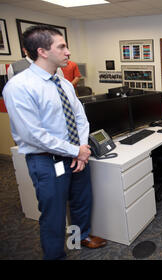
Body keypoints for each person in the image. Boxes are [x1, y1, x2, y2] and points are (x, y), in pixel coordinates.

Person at [2, 25, 106, 260]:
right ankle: (55, 255)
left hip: (76, 155)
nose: (68, 52)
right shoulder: (19, 87)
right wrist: (76, 150)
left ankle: (81, 237)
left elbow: (79, 117)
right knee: (54, 214)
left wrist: (82, 149)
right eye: (62, 46)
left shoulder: (64, 83)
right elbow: (33, 135)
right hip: (47, 162)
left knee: (81, 202)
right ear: (42, 51)